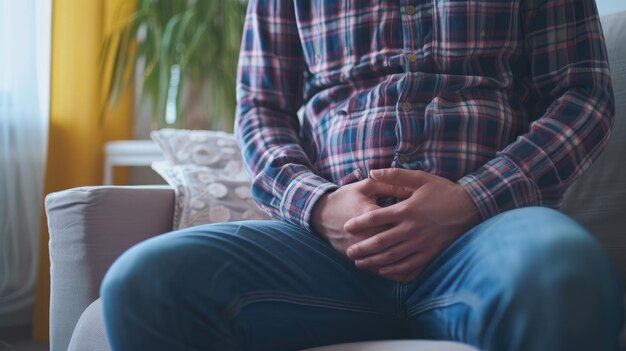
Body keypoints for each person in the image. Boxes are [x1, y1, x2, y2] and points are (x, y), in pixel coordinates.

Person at [100, 0, 624, 350]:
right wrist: (320, 206)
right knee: (145, 282)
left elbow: (583, 96)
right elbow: (261, 109)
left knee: (563, 272)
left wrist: (471, 199)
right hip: (321, 251)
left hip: (485, 238)